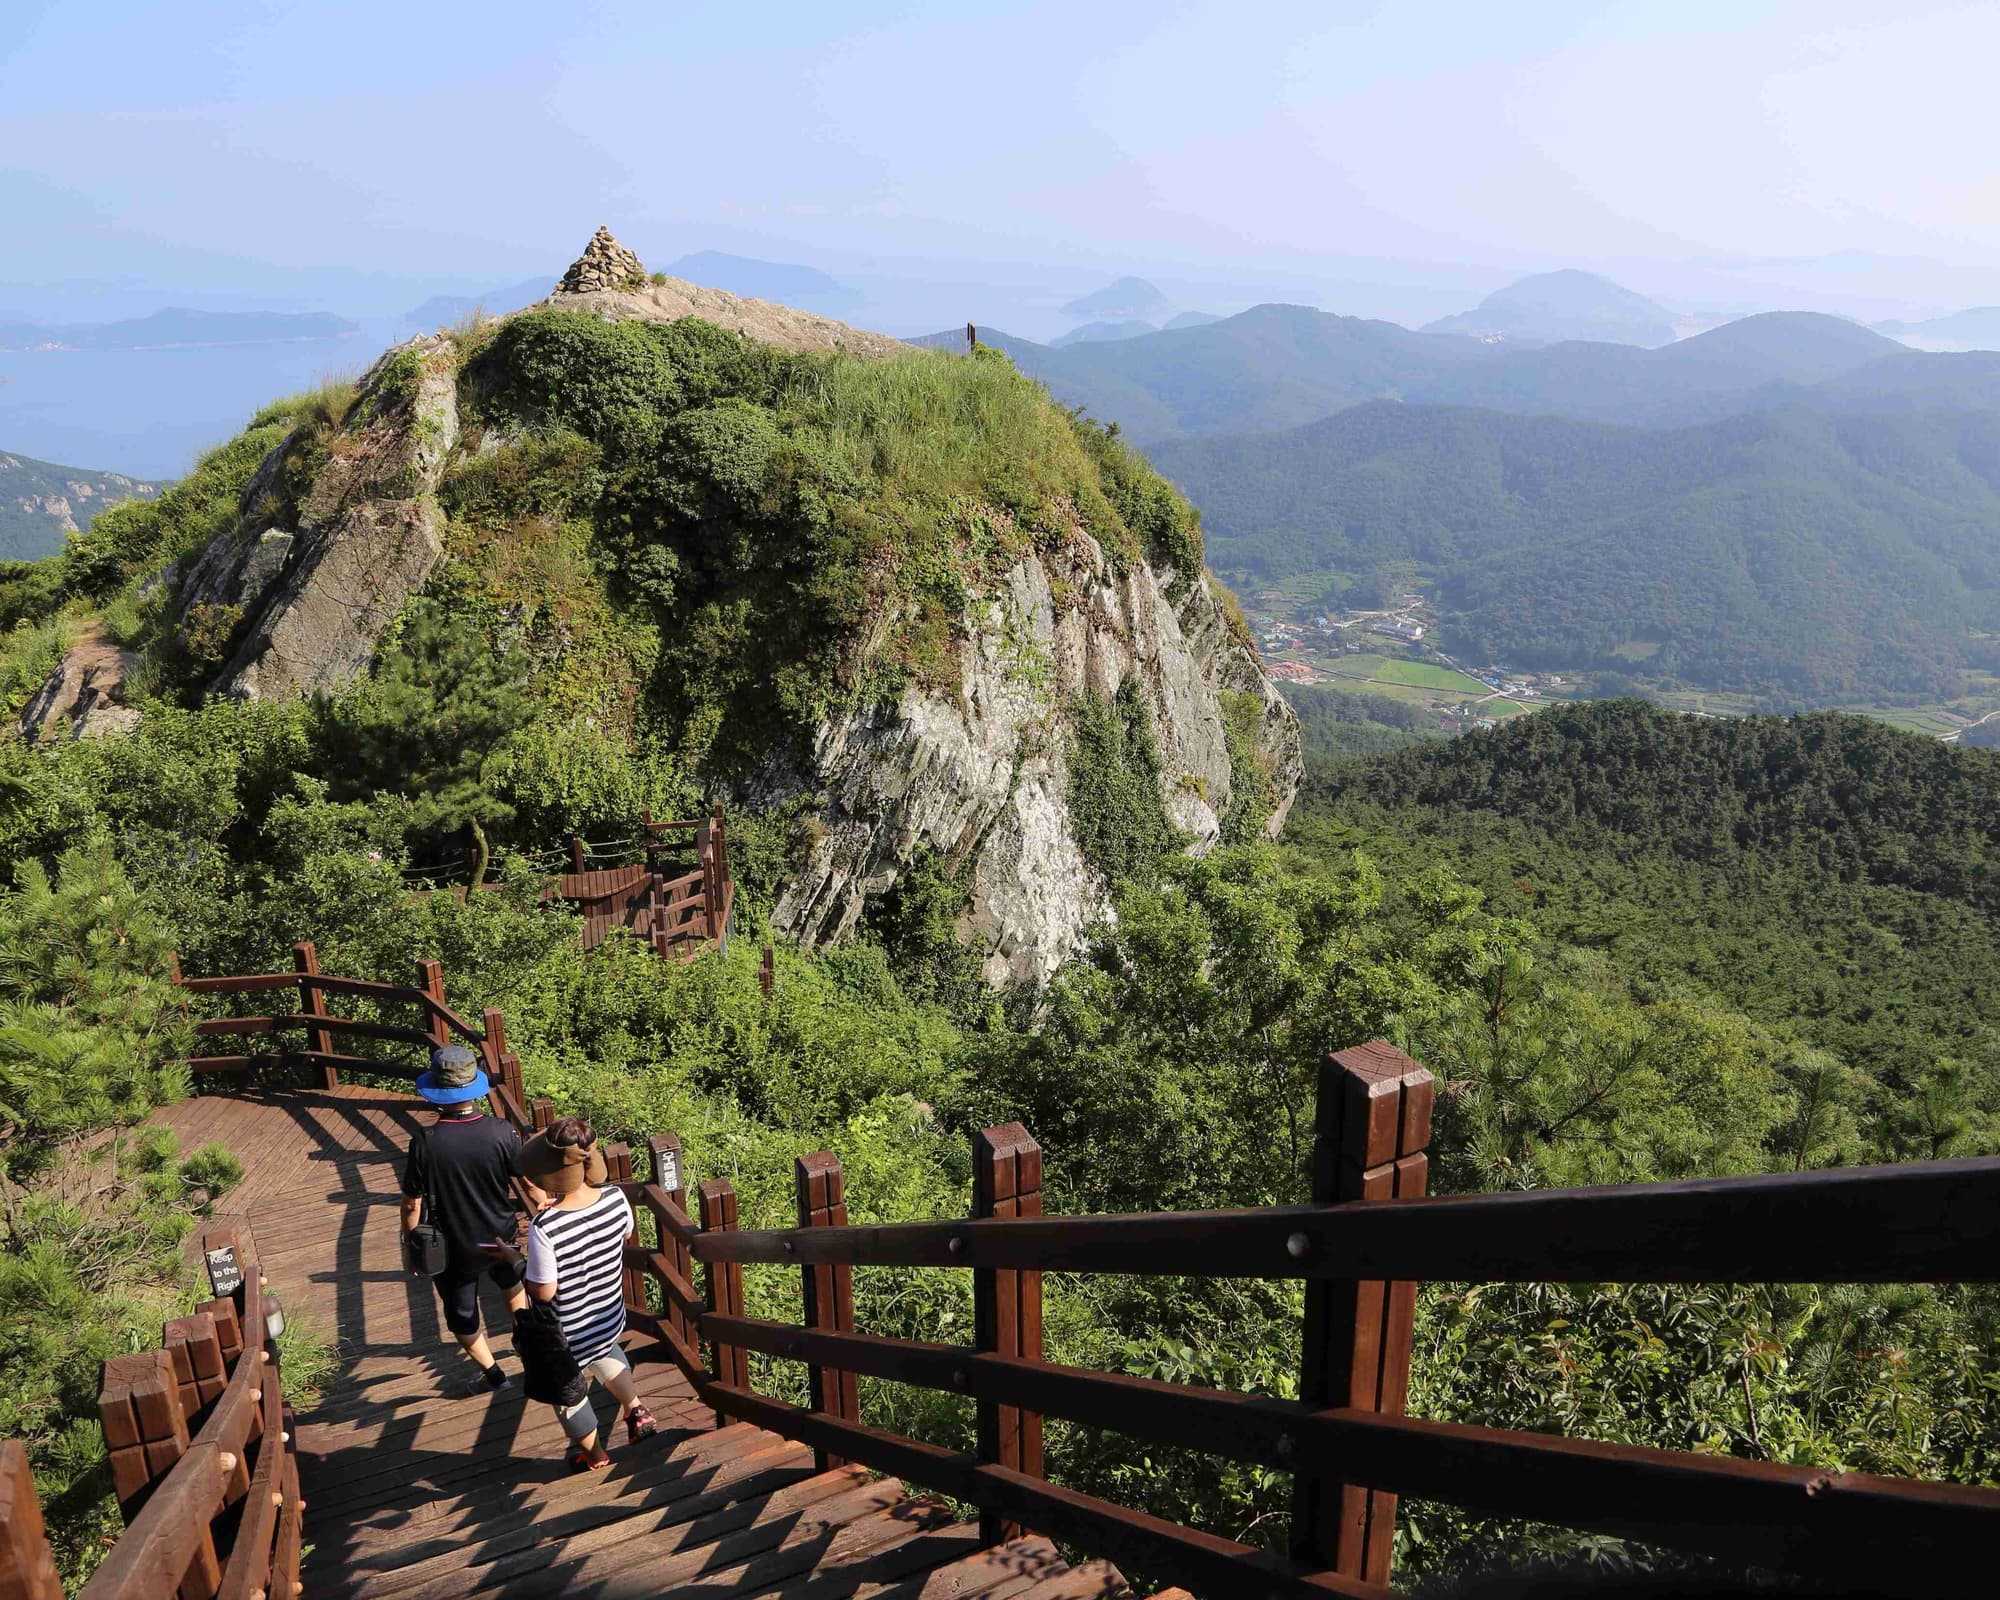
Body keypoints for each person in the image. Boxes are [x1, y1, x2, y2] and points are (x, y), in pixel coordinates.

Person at [482, 1116, 658, 1471]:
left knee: (567, 1391)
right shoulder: (616, 1198)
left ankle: (596, 1455)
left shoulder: (546, 1227)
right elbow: (622, 1238)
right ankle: (636, 1410)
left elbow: (543, 1291)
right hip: (607, 1312)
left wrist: (516, 1261)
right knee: (606, 1352)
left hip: (568, 1331)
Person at [400, 1045, 528, 1391]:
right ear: (475, 1088)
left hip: (453, 1244)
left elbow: (412, 1204)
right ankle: (524, 1339)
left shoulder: (425, 1142)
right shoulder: (501, 1131)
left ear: (436, 1093)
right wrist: (545, 1199)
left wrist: (411, 1245)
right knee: (511, 1282)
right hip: (500, 1234)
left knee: (462, 1314)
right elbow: (524, 1174)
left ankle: (494, 1375)